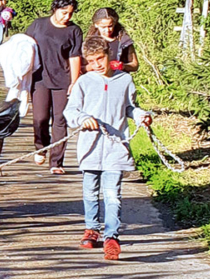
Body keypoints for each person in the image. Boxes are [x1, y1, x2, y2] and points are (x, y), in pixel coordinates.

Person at [64, 36, 151, 260]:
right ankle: (91, 229)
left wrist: (141, 116)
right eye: (91, 61)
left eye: (100, 59)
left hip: (115, 146)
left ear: (108, 54)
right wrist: (82, 118)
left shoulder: (124, 80)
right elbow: (70, 111)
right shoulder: (83, 82)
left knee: (113, 194)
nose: (97, 65)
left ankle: (112, 236)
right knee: (90, 191)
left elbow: (130, 107)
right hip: (90, 147)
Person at [23, 0, 83, 175]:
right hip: (39, 78)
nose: (67, 17)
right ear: (55, 9)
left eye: (70, 14)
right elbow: (23, 47)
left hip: (63, 80)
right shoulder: (38, 25)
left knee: (60, 120)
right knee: (40, 118)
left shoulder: (74, 31)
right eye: (64, 13)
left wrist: (74, 81)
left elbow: (75, 56)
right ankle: (40, 146)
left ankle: (56, 162)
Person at [88, 7, 138, 73]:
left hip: (119, 79)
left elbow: (135, 65)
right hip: (98, 80)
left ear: (114, 24)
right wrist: (98, 66)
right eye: (103, 27)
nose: (107, 30)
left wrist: (123, 66)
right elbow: (83, 67)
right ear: (96, 25)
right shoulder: (90, 43)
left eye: (110, 26)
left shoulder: (124, 41)